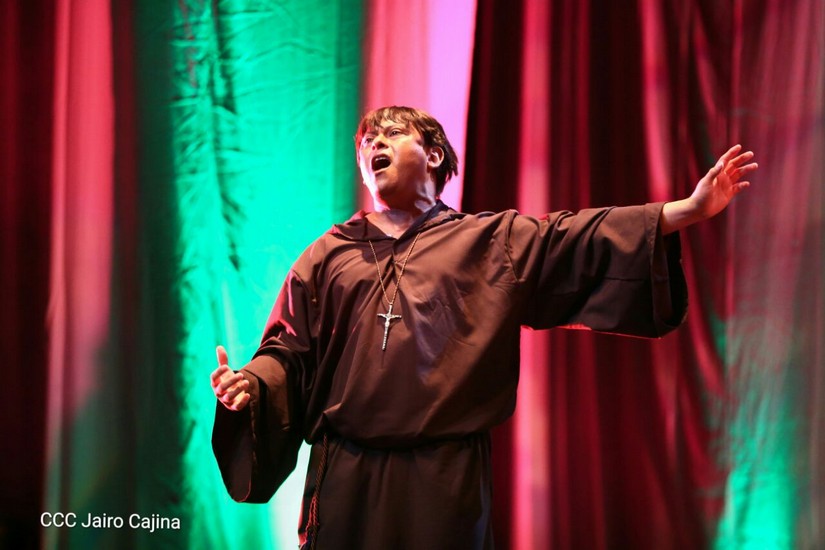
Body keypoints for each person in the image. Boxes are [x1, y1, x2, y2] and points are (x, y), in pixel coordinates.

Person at [210, 106, 757, 549]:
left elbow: (577, 237)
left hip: (443, 476)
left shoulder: (489, 243)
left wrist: (686, 210)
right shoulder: (329, 255)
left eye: (392, 134)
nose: (374, 143)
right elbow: (289, 349)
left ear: (434, 154)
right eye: (366, 142)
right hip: (348, 474)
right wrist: (252, 384)